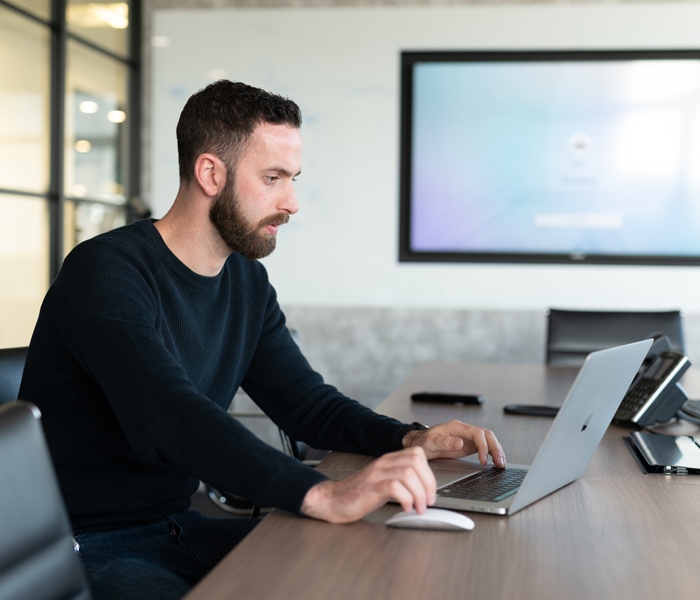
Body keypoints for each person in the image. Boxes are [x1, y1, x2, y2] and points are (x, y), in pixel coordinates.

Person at [19, 80, 506, 599]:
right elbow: (165, 414)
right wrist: (320, 493)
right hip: (83, 544)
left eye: (292, 179)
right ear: (210, 173)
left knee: (365, 561)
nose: (292, 202)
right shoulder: (107, 272)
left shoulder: (245, 282)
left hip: (181, 527)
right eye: (272, 178)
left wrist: (408, 438)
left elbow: (306, 403)